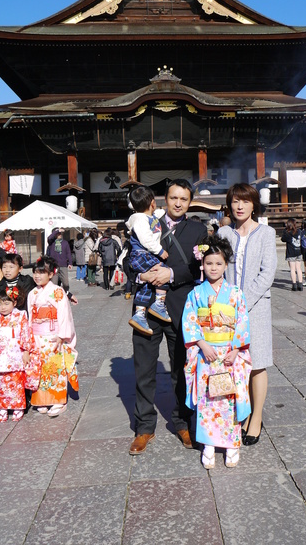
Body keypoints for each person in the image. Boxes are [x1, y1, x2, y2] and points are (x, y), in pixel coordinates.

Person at [129, 179, 207, 456]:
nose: (177, 203)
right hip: (147, 304)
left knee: (182, 370)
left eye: (183, 199)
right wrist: (142, 275)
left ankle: (182, 422)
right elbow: (130, 259)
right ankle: (144, 427)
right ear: (164, 199)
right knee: (144, 369)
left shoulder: (198, 229)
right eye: (173, 197)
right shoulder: (146, 222)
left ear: (189, 202)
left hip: (181, 307)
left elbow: (201, 268)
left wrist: (171, 274)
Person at [182, 236, 252, 469]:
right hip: (206, 353)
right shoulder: (196, 294)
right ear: (202, 264)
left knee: (229, 398)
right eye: (209, 263)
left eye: (218, 264)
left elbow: (242, 322)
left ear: (225, 265)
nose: (214, 268)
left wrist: (235, 350)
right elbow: (190, 321)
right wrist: (201, 344)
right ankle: (209, 444)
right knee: (208, 399)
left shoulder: (235, 293)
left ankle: (232, 443)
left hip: (229, 354)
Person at [219, 183, 277, 446]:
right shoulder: (222, 233)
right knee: (234, 363)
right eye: (235, 201)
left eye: (245, 201)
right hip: (227, 309)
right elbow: (215, 267)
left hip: (256, 308)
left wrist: (243, 299)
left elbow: (268, 273)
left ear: (254, 204)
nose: (240, 206)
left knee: (257, 362)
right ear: (229, 204)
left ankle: (256, 417)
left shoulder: (266, 233)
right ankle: (242, 411)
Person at [28, 255, 78, 416]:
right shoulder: (32, 293)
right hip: (37, 336)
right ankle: (42, 400)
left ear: (51, 274)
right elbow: (30, 316)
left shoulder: (57, 291)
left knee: (55, 368)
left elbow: (64, 314)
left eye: (42, 273)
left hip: (54, 336)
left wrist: (62, 335)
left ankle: (58, 401)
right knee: (39, 369)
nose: (37, 276)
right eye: (36, 272)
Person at [126, 185, 171, 334]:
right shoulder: (139, 220)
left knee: (145, 285)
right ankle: (159, 303)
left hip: (143, 255)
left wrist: (163, 210)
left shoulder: (148, 216)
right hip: (142, 254)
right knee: (161, 271)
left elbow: (157, 214)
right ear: (152, 202)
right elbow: (146, 239)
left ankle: (139, 314)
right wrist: (160, 251)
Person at [0, 286, 40, 422]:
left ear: (14, 303)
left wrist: (26, 350)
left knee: (15, 382)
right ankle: (2, 407)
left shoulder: (20, 315)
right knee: (0, 382)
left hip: (14, 354)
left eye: (7, 303)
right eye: (0, 304)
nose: (3, 307)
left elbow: (25, 333)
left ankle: (18, 406)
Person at [46, 228, 72, 293]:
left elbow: (68, 253)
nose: (60, 235)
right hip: (54, 265)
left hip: (63, 265)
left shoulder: (65, 243)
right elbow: (49, 238)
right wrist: (57, 231)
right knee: (54, 283)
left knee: (66, 283)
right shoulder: (51, 242)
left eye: (60, 233)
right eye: (58, 233)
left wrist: (70, 263)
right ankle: (55, 295)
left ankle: (66, 293)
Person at [281, 218, 303, 291]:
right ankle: (300, 283)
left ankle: (294, 284)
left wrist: (285, 230)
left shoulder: (287, 232)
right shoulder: (299, 231)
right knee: (299, 268)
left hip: (291, 252)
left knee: (292, 269)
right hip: (298, 251)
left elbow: (283, 239)